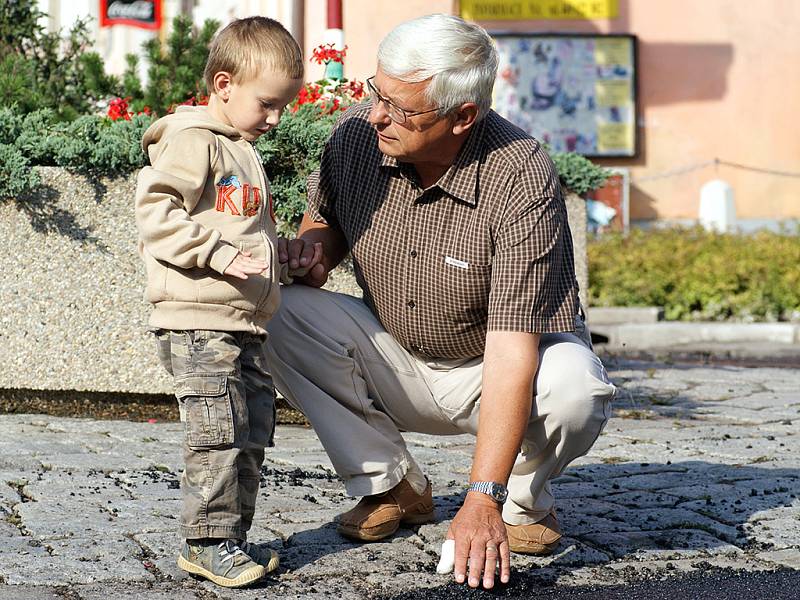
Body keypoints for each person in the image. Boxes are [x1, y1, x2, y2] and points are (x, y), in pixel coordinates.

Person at [268, 13, 616, 591]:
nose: (378, 115)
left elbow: (511, 350)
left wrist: (482, 496)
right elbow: (323, 220)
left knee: (577, 386)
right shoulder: (358, 137)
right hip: (397, 353)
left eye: (403, 110)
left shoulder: (521, 175)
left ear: (463, 118)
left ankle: (523, 501)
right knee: (276, 308)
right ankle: (391, 484)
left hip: (498, 368)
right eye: (378, 92)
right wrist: (313, 254)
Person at [135, 17, 315, 588]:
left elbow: (240, 232)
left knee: (252, 427)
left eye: (283, 106)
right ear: (223, 85)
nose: (276, 118)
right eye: (268, 104)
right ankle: (207, 542)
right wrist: (217, 254)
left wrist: (280, 255)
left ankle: (230, 537)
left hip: (241, 323)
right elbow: (156, 215)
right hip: (197, 322)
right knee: (217, 432)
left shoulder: (240, 147)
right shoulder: (191, 140)